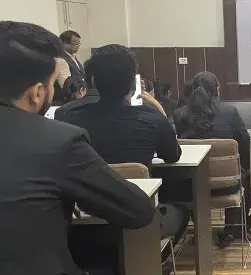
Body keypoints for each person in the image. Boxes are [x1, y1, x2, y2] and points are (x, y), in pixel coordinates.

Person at [0, 21, 155, 275]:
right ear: (37, 93)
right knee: (112, 260)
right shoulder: (57, 140)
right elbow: (137, 211)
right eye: (54, 85)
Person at [56, 44, 188, 249]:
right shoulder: (152, 118)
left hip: (80, 227)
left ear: (93, 81)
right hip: (137, 223)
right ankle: (152, 260)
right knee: (181, 211)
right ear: (133, 84)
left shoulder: (66, 117)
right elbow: (172, 155)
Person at [173, 71, 251, 248]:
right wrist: (244, 169)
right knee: (245, 176)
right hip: (227, 185)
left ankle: (201, 230)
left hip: (191, 186)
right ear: (217, 90)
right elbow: (244, 143)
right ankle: (232, 230)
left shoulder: (179, 115)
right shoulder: (230, 112)